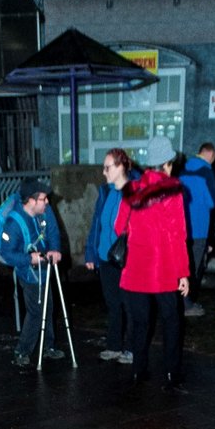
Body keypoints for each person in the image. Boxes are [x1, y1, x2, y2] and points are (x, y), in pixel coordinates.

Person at [115, 134, 190, 389]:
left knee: (139, 323)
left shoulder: (131, 190)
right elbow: (178, 235)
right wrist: (183, 273)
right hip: (164, 271)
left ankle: (138, 370)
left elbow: (117, 228)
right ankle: (171, 372)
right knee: (171, 321)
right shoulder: (173, 191)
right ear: (168, 162)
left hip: (135, 269)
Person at [0, 177, 65, 369]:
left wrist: (55, 250)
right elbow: (6, 253)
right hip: (28, 273)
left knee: (49, 307)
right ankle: (22, 351)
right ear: (32, 200)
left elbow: (52, 230)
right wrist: (30, 259)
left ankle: (48, 346)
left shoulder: (45, 211)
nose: (47, 202)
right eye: (43, 199)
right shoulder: (13, 223)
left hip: (46, 267)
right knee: (36, 312)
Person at [85, 147, 137, 363]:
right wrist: (91, 253)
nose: (104, 172)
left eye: (108, 168)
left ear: (121, 166)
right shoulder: (106, 192)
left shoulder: (135, 192)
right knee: (113, 304)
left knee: (131, 305)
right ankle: (114, 345)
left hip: (128, 260)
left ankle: (133, 349)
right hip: (107, 258)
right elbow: (97, 224)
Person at [179, 141, 215, 316]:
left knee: (181, 266)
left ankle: (179, 302)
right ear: (211, 155)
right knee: (193, 268)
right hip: (200, 228)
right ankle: (187, 305)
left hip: (182, 227)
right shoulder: (207, 172)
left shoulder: (182, 168)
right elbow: (211, 201)